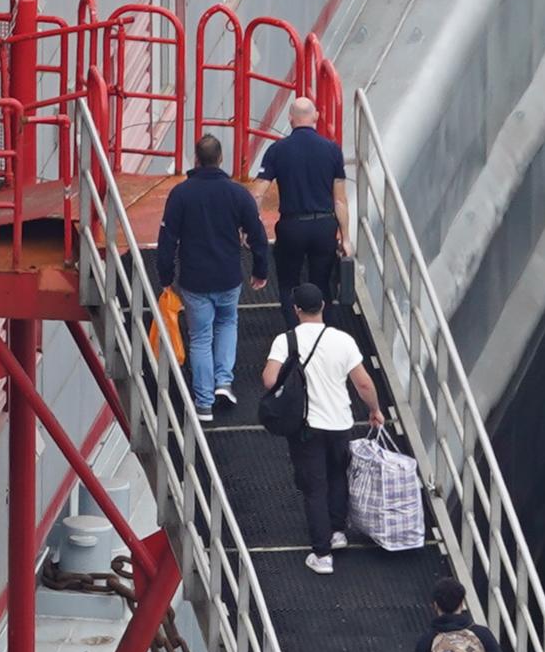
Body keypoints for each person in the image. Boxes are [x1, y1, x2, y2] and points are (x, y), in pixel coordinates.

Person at [260, 283, 383, 574]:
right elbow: (363, 383)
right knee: (337, 474)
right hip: (340, 422)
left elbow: (268, 379)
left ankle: (322, 553)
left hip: (306, 425)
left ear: (296, 310)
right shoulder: (343, 340)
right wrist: (374, 410)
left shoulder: (286, 340)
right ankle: (337, 532)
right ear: (323, 306)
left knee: (314, 487)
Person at [157, 134, 271, 422]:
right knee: (227, 323)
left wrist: (165, 276)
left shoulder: (180, 195)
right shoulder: (237, 194)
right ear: (221, 159)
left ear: (196, 159)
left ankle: (204, 403)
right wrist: (260, 270)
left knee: (199, 337)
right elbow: (257, 234)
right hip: (229, 276)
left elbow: (167, 238)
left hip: (195, 280)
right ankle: (224, 382)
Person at [256, 98, 349, 302]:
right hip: (324, 226)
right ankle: (322, 329)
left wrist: (251, 225)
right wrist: (346, 237)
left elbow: (258, 192)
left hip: (292, 226)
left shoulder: (277, 150)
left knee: (288, 285)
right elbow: (340, 200)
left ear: (290, 118)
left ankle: (293, 330)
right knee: (323, 286)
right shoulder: (332, 150)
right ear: (315, 116)